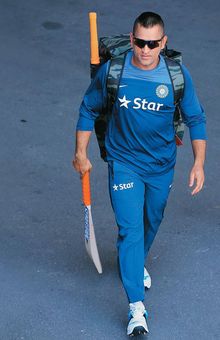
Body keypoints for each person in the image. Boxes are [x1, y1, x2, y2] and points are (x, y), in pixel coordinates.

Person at [73, 11, 206, 336]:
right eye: (140, 43)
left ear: (163, 43)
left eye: (152, 44)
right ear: (132, 40)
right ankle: (136, 308)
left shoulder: (176, 75)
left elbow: (196, 118)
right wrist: (80, 152)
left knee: (151, 220)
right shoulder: (113, 72)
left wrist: (199, 162)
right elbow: (88, 108)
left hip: (161, 165)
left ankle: (133, 262)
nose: (145, 50)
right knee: (129, 231)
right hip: (124, 162)